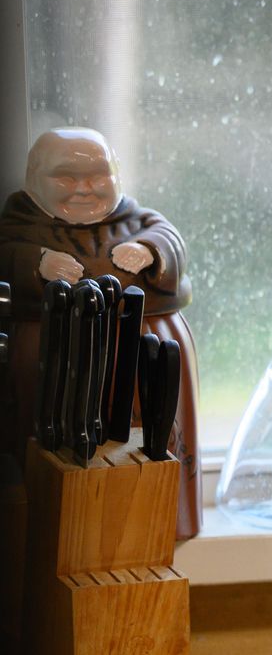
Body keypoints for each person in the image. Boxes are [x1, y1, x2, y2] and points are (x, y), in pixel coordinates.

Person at [0, 127, 200, 537]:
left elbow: (170, 238)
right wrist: (36, 262)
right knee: (54, 479)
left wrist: (149, 251)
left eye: (97, 175)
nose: (84, 189)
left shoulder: (138, 219)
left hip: (146, 351)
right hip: (49, 354)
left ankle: (155, 524)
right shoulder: (18, 225)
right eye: (66, 177)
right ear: (34, 177)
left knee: (149, 450)